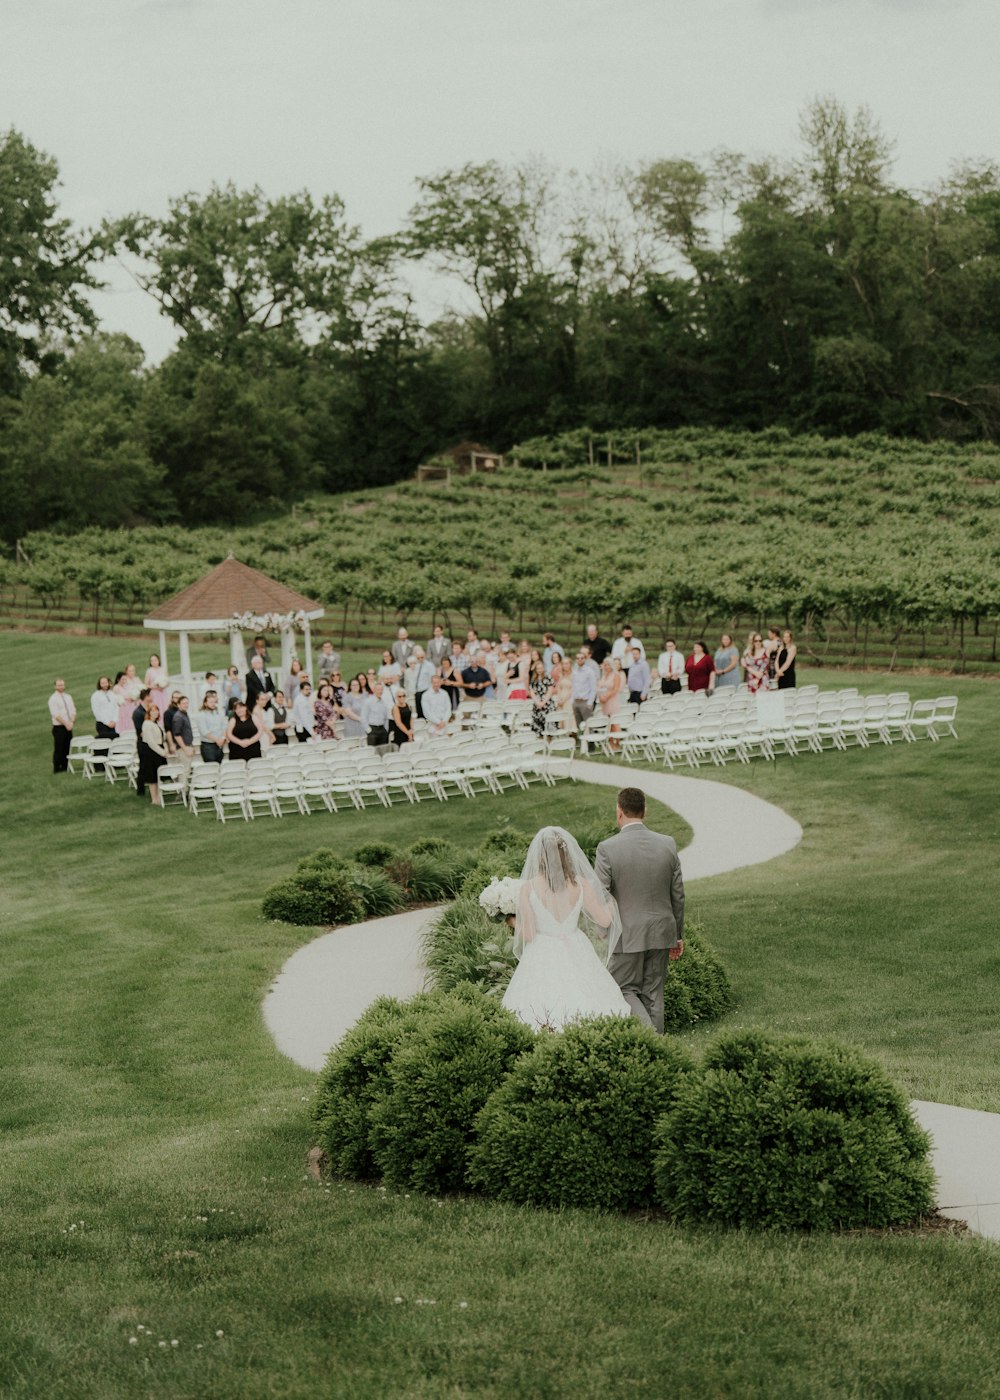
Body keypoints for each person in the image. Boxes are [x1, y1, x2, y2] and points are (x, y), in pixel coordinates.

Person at [501, 827, 629, 1032]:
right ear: (567, 853)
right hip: (576, 945)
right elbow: (604, 921)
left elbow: (529, 933)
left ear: (539, 857)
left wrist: (511, 921)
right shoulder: (581, 884)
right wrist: (611, 906)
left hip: (541, 950)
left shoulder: (529, 888)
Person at [595, 787, 685, 1035]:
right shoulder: (667, 844)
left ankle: (653, 1040)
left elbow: (600, 893)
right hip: (661, 930)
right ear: (645, 811)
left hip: (627, 933)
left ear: (619, 812)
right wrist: (677, 934)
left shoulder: (607, 848)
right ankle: (659, 1048)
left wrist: (604, 928)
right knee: (653, 992)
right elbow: (677, 894)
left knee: (622, 988)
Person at [139, 703, 169, 805]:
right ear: (149, 712)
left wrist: (165, 749)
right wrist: (162, 752)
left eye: (157, 710)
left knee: (157, 775)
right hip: (151, 752)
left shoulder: (155, 723)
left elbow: (162, 738)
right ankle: (154, 799)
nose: (155, 712)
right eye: (153, 710)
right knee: (152, 776)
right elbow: (151, 741)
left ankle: (158, 797)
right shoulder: (147, 724)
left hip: (159, 750)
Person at [48, 678, 76, 772]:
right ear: (55, 686)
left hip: (69, 725)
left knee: (67, 747)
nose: (61, 687)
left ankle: (65, 765)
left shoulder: (68, 697)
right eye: (59, 685)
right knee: (59, 747)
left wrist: (71, 722)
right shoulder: (53, 699)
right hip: (59, 727)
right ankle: (57, 767)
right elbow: (56, 714)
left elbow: (73, 710)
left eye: (62, 685)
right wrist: (66, 723)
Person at [597, 657, 625, 749]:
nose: (606, 666)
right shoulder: (604, 675)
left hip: (612, 700)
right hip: (604, 701)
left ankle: (616, 743)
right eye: (605, 665)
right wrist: (600, 696)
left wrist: (606, 696)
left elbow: (616, 689)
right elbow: (599, 687)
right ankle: (610, 741)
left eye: (608, 664)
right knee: (608, 722)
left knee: (614, 722)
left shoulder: (615, 675)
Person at [571, 646, 598, 730]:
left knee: (588, 726)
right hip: (576, 701)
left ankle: (590, 743)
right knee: (579, 726)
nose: (579, 660)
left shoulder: (589, 671)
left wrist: (590, 702)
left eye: (582, 658)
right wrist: (572, 701)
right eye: (577, 658)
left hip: (585, 702)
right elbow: (574, 687)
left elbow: (593, 688)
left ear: (585, 659)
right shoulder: (574, 671)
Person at [360, 681, 394, 747]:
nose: (380, 691)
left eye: (381, 690)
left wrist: (386, 730)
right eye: (378, 689)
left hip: (382, 729)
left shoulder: (384, 703)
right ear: (374, 690)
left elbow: (386, 718)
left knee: (383, 750)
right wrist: (368, 730)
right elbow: (363, 717)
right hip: (372, 730)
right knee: (373, 752)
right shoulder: (368, 702)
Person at [196, 690, 227, 762]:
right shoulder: (201, 715)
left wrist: (223, 738)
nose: (213, 704)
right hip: (208, 746)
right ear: (205, 703)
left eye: (214, 702)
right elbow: (204, 732)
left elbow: (224, 727)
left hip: (219, 745)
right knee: (211, 768)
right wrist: (217, 740)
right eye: (211, 702)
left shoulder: (218, 713)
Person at [529, 657, 555, 738]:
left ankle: (549, 745)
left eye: (541, 668)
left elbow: (550, 690)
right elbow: (532, 692)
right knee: (538, 726)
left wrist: (543, 702)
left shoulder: (548, 677)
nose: (539, 670)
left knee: (548, 725)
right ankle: (540, 745)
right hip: (537, 704)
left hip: (547, 703)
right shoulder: (533, 679)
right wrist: (538, 703)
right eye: (537, 668)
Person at [408, 647, 435, 718]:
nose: (420, 659)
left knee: (427, 712)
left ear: (425, 656)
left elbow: (432, 679)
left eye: (422, 657)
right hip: (417, 692)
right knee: (419, 713)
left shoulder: (429, 666)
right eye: (418, 658)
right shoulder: (416, 665)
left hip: (426, 691)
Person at [171, 695, 196, 764]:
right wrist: (185, 749)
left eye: (187, 703)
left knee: (187, 770)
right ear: (178, 705)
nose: (186, 705)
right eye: (184, 703)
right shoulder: (178, 717)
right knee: (185, 771)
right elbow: (177, 735)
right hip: (183, 748)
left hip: (187, 746)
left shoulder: (184, 714)